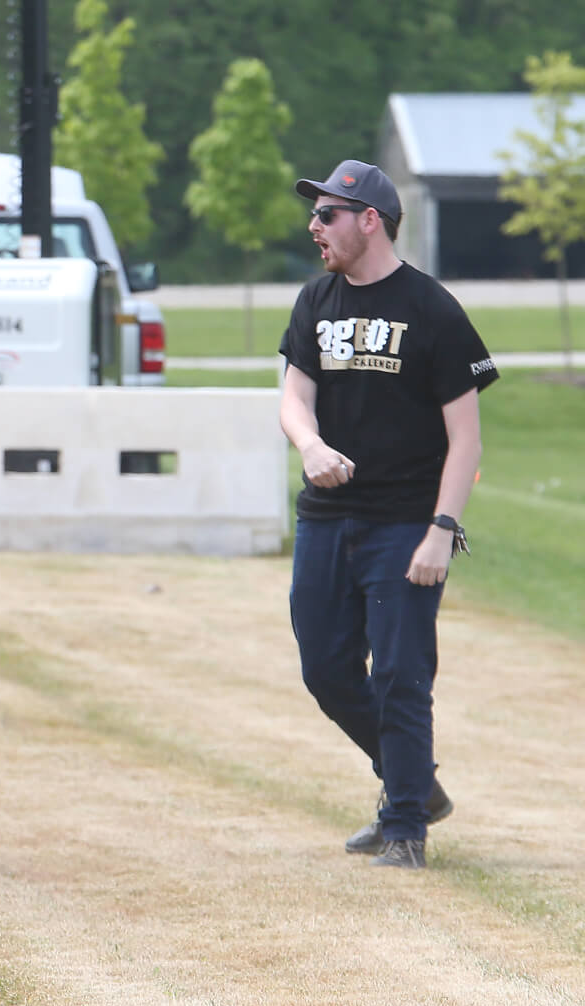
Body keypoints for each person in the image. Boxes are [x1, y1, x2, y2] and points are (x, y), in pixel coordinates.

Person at [278, 160, 497, 870]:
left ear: (370, 219)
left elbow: (466, 438)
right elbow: (294, 398)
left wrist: (443, 528)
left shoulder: (433, 310)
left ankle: (405, 825)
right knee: (326, 669)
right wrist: (309, 446)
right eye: (315, 215)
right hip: (327, 517)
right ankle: (416, 785)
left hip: (407, 521)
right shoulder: (316, 300)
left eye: (328, 214)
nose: (315, 227)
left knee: (401, 672)